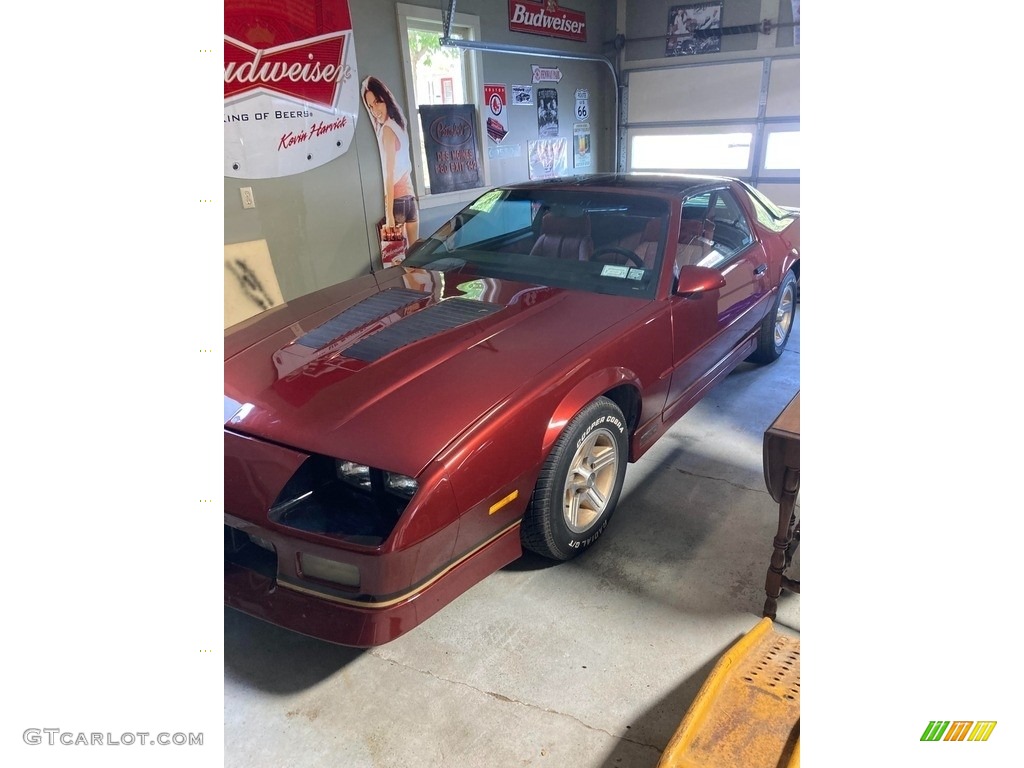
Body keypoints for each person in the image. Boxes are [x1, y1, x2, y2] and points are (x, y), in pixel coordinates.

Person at [362, 76, 419, 248]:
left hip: (398, 203)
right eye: (370, 106)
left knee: (400, 261)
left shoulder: (387, 130)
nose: (374, 110)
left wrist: (389, 216)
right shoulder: (399, 125)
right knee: (415, 255)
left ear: (385, 99)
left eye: (377, 102)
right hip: (411, 201)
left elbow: (389, 174)